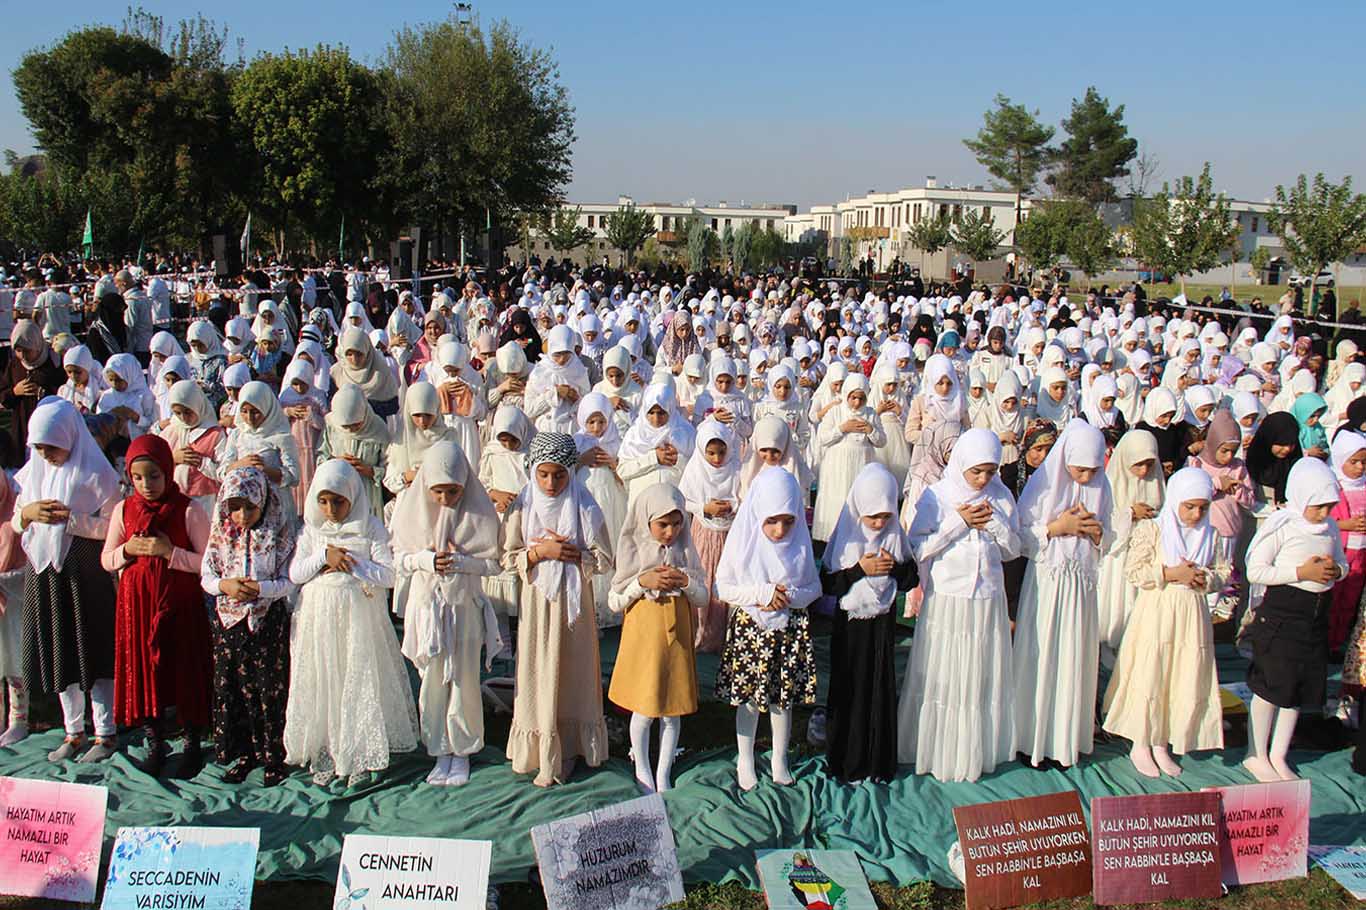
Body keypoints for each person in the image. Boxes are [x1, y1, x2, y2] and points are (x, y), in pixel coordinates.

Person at [285, 460, 417, 784]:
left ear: (352, 497)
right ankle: (329, 749)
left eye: (339, 502)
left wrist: (350, 563)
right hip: (320, 617)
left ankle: (357, 752)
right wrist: (322, 558)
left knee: (356, 681)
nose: (331, 509)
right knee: (327, 679)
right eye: (324, 501)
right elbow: (295, 573)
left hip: (358, 618)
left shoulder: (370, 526)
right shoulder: (313, 530)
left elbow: (387, 575)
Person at [898, 430, 1020, 782]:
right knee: (947, 672)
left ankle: (975, 750)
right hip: (948, 598)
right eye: (976, 472)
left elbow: (1013, 549)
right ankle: (939, 749)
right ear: (962, 464)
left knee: (979, 672)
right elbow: (917, 547)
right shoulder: (938, 496)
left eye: (991, 471)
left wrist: (993, 521)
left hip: (987, 599)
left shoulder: (1002, 497)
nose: (983, 479)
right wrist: (959, 522)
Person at [502, 433, 613, 786]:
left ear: (571, 472)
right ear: (533, 471)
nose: (551, 484)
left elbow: (605, 559)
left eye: (560, 475)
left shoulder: (586, 507)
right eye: (544, 475)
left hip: (573, 609)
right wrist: (538, 554)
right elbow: (507, 557)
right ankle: (537, 749)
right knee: (538, 670)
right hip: (537, 605)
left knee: (572, 672)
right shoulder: (523, 506)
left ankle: (569, 748)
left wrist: (574, 556)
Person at [1102, 467, 1227, 778]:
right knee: (1152, 670)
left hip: (1191, 613)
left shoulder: (1210, 535)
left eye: (1203, 507)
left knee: (1181, 673)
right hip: (1157, 609)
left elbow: (1223, 571)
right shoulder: (1153, 530)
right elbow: (1135, 571)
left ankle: (1163, 741)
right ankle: (1141, 741)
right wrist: (1172, 574)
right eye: (1189, 506)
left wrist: (1204, 578)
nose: (1196, 514)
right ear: (1175, 502)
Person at [15, 397, 121, 762]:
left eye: (52, 447)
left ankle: (105, 732)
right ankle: (73, 730)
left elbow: (113, 527)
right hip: (44, 571)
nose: (47, 455)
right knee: (61, 650)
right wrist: (28, 513)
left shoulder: (98, 475)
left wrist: (73, 521)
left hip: (83, 572)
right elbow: (16, 521)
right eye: (39, 448)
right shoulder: (33, 474)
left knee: (92, 647)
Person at [102, 434, 212, 777]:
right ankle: (155, 739)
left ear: (167, 471)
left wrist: (170, 554)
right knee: (146, 672)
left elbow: (209, 562)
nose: (146, 485)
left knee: (182, 669)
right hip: (137, 607)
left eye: (154, 476)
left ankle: (192, 741)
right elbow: (106, 558)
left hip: (180, 605)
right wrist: (128, 551)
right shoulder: (124, 510)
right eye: (138, 477)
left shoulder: (188, 509)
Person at [393, 441, 501, 786]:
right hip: (427, 608)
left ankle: (463, 750)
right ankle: (439, 749)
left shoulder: (479, 513)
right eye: (437, 491)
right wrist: (426, 559)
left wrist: (461, 562)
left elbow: (493, 564)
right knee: (433, 681)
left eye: (452, 491)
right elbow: (398, 558)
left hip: (463, 607)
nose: (445, 499)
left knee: (464, 678)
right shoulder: (411, 512)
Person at [1012, 420, 1112, 769]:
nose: (1085, 478)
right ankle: (1032, 739)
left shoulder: (1102, 486)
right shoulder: (1043, 486)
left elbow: (1112, 537)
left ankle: (1065, 741)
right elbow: (1019, 538)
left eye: (1092, 470)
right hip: (1048, 586)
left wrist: (1098, 533)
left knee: (1074, 656)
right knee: (1043, 658)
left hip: (1081, 589)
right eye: (1079, 469)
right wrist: (1058, 528)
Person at [714, 467, 821, 791]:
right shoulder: (744, 541)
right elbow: (725, 587)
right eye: (772, 521)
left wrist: (788, 597)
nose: (779, 530)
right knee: (749, 698)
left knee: (781, 698)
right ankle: (745, 757)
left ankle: (779, 758)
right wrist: (762, 594)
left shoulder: (799, 544)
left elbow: (813, 587)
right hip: (752, 628)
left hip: (787, 630)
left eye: (788, 522)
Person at [1242, 457, 1346, 782]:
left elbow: (1342, 562)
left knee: (1298, 688)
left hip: (1315, 615)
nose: (1324, 514)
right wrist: (1301, 572)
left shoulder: (1328, 527)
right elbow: (1256, 569)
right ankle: (1256, 753)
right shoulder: (1283, 525)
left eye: (1328, 507)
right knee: (1273, 683)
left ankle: (1279, 753)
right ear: (1301, 497)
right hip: (1284, 612)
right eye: (1318, 507)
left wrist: (1334, 571)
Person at [200, 466, 297, 786]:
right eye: (234, 507)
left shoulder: (278, 534)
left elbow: (288, 581)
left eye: (249, 507)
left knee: (269, 688)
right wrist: (225, 586)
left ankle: (273, 755)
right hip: (229, 624)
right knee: (234, 690)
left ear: (264, 502)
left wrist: (260, 589)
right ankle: (244, 753)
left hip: (267, 621)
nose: (241, 515)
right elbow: (207, 577)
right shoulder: (220, 534)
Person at [607, 483, 706, 793]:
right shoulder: (633, 548)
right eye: (662, 524)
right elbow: (615, 600)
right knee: (646, 705)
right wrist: (642, 581)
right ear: (646, 520)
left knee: (671, 708)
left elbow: (703, 596)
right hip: (645, 637)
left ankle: (663, 770)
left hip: (676, 635)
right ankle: (642, 766)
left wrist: (686, 582)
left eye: (677, 524)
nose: (670, 532)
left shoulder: (685, 549)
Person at [821, 462, 916, 783]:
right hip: (851, 627)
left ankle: (877, 762)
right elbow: (829, 583)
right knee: (849, 689)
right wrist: (860, 569)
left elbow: (909, 578)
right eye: (872, 516)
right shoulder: (848, 535)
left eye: (885, 516)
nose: (878, 523)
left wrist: (892, 569)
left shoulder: (894, 535)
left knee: (878, 690)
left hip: (882, 624)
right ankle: (846, 761)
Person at [1097, 430, 1164, 664]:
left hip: (1146, 555)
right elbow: (1103, 522)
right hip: (1117, 558)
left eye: (1148, 464)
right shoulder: (1110, 484)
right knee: (1117, 607)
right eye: (1138, 465)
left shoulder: (1156, 482)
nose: (1144, 472)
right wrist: (1130, 514)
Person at [678, 418, 741, 652]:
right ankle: (701, 630)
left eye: (722, 452)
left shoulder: (736, 468)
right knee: (704, 577)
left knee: (727, 578)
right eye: (711, 453)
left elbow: (744, 496)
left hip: (730, 535)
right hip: (704, 533)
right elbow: (684, 499)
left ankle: (725, 633)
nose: (717, 459)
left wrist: (732, 506)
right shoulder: (695, 468)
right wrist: (705, 508)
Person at [812, 374, 885, 542]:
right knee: (839, 497)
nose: (857, 403)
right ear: (846, 395)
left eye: (861, 398)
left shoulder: (871, 414)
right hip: (838, 466)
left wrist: (871, 430)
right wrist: (842, 428)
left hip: (862, 464)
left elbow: (881, 441)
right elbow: (822, 438)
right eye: (853, 398)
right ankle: (832, 536)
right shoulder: (836, 412)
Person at [617, 382, 697, 506]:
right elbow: (622, 471)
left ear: (670, 409)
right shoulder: (635, 435)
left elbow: (698, 469)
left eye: (661, 413)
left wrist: (678, 460)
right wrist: (654, 458)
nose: (656, 418)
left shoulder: (685, 432)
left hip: (674, 504)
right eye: (651, 413)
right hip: (642, 503)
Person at [319, 385, 390, 520]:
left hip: (367, 494)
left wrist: (370, 471)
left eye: (356, 425)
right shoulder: (331, 425)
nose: (351, 430)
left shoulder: (378, 428)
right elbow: (321, 456)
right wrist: (336, 462)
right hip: (337, 494)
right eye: (346, 427)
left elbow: (390, 466)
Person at [1, 321, 66, 467]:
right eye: (18, 351)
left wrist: (43, 393)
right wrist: (15, 392)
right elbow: (3, 394)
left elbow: (64, 394)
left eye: (27, 350)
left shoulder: (53, 363)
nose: (22, 356)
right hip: (22, 427)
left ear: (36, 345)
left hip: (49, 428)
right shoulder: (15, 365)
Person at [331, 327, 401, 420]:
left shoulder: (381, 371)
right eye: (349, 354)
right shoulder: (336, 373)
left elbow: (392, 406)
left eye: (359, 354)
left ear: (367, 352)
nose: (354, 359)